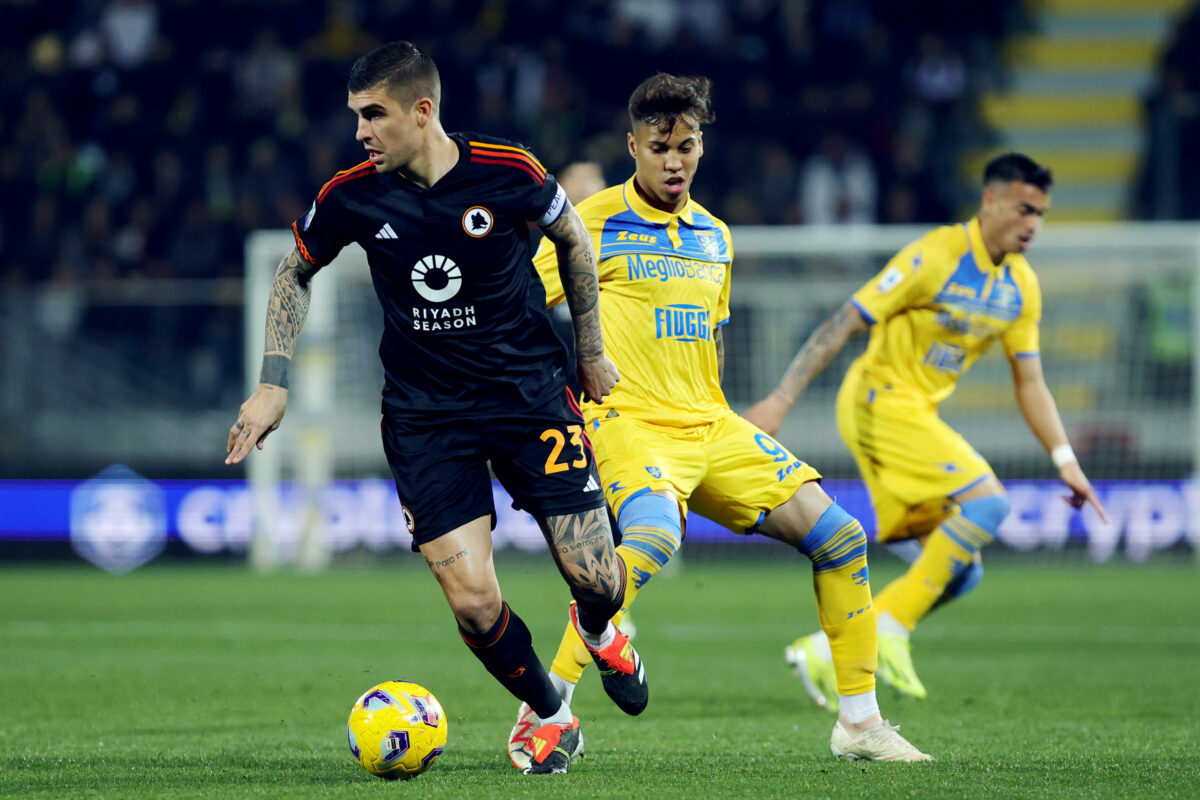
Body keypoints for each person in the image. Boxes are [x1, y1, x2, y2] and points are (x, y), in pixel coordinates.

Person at [224, 41, 648, 776]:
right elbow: (294, 272)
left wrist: (591, 351)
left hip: (528, 397)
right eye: (356, 116)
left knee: (598, 579)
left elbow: (573, 239)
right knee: (474, 604)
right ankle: (551, 713)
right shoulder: (351, 194)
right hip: (426, 417)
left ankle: (599, 629)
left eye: (373, 115)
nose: (360, 131)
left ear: (422, 111)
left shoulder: (507, 171)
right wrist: (273, 381)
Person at [507, 72, 931, 767]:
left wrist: (730, 417)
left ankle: (859, 724)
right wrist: (558, 391)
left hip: (711, 424)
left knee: (841, 537)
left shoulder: (714, 235)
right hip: (629, 421)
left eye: (687, 146)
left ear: (702, 145)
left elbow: (712, 334)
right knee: (654, 536)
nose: (674, 161)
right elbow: (519, 312)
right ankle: (547, 705)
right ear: (633, 147)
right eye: (659, 147)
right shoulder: (589, 224)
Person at [743, 153, 1109, 707]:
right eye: (1023, 209)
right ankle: (889, 631)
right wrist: (780, 400)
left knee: (963, 573)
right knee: (989, 504)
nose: (1033, 223)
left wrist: (1066, 461)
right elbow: (845, 320)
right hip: (877, 402)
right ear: (990, 202)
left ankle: (825, 650)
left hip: (916, 415)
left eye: (1041, 213)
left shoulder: (1020, 286)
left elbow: (1031, 383)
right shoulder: (936, 255)